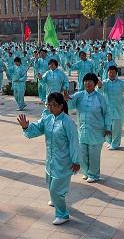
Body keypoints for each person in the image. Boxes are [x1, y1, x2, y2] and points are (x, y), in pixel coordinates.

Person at [18, 92, 80, 224]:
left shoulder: (67, 122)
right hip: (51, 161)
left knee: (56, 189)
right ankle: (56, 199)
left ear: (61, 106)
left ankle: (62, 215)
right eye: (49, 105)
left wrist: (76, 161)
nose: (51, 108)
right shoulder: (48, 118)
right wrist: (26, 127)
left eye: (54, 105)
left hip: (63, 162)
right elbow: (37, 128)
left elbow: (74, 142)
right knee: (51, 185)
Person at [65, 73, 110, 183]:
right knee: (82, 154)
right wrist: (67, 99)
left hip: (96, 132)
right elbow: (70, 104)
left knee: (94, 155)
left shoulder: (100, 98)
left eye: (90, 81)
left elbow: (107, 113)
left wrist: (108, 127)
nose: (87, 83)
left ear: (95, 83)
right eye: (85, 81)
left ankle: (94, 175)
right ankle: (86, 172)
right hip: (82, 131)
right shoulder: (79, 95)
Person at [98, 65, 124, 150]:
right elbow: (99, 92)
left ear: (116, 73)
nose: (111, 74)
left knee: (116, 128)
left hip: (118, 109)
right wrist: (99, 86)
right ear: (107, 73)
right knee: (107, 127)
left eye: (113, 73)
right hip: (107, 110)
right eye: (110, 72)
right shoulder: (104, 83)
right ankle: (110, 142)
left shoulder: (121, 83)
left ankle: (115, 144)